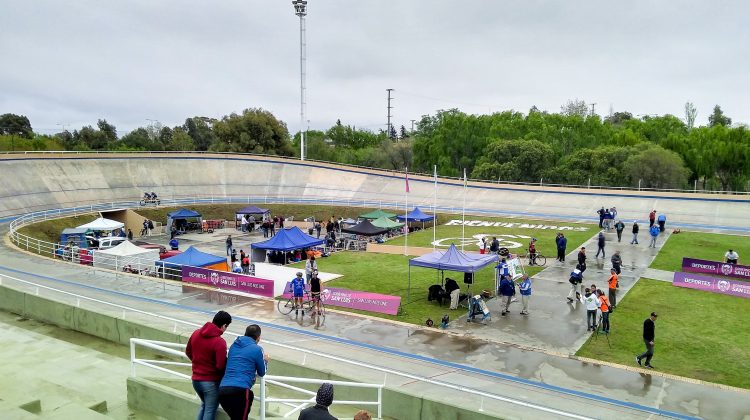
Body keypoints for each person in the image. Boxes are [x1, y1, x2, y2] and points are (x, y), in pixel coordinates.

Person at [186, 311, 232, 420]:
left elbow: (188, 351)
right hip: (210, 383)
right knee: (210, 410)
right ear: (224, 325)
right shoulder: (220, 342)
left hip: (195, 380)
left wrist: (199, 363)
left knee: (205, 406)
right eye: (227, 327)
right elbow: (220, 366)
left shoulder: (196, 333)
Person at [218, 324, 268, 420]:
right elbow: (262, 372)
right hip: (240, 391)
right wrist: (265, 360)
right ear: (258, 338)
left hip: (222, 391)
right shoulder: (257, 349)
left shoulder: (234, 346)